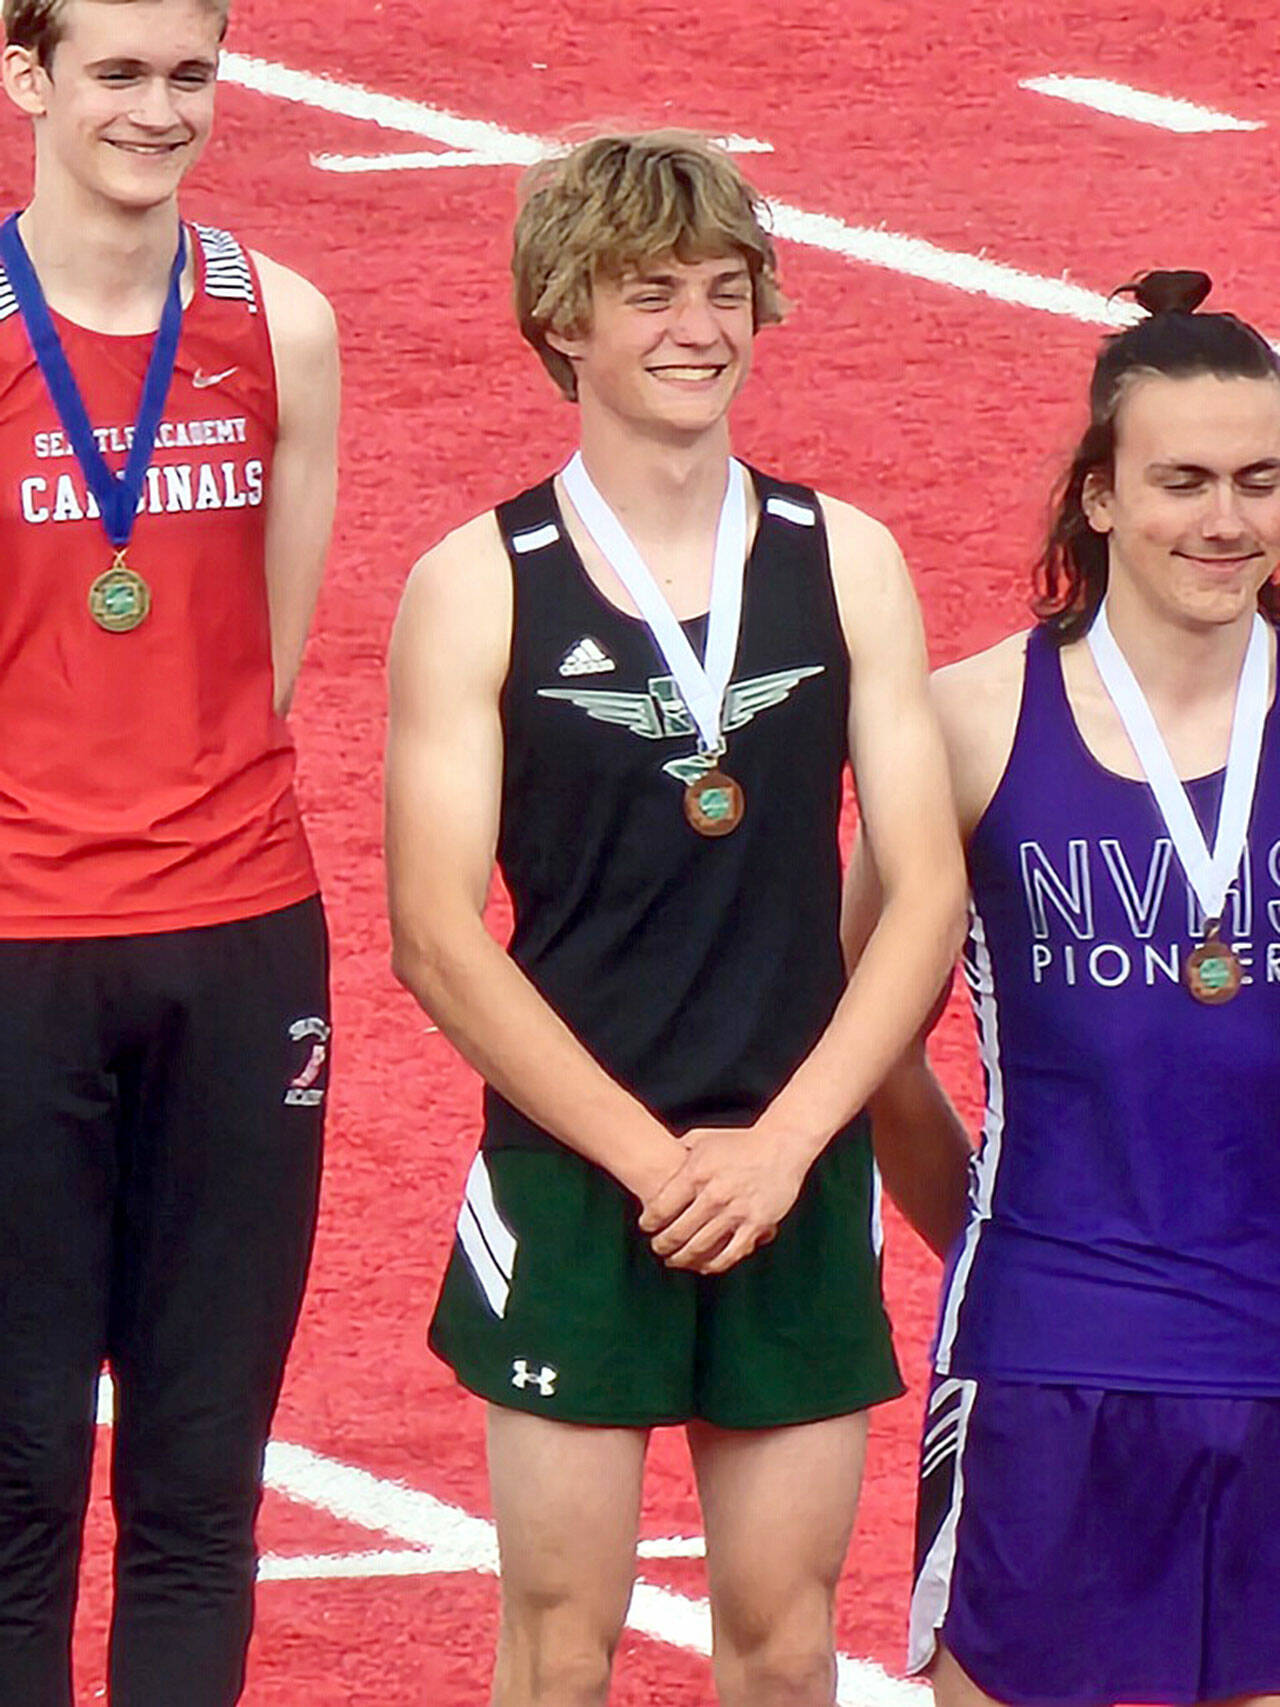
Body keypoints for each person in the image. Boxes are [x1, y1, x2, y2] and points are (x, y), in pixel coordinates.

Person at [386, 129, 965, 1706]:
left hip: (792, 1156)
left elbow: (922, 889)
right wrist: (651, 1159)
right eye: (652, 293)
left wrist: (782, 1147)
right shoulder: (475, 581)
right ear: (562, 317)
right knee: (559, 1650)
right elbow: (434, 935)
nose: (702, 328)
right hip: (578, 1178)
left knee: (786, 1653)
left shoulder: (846, 559)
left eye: (728, 289)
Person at [853, 270, 1280, 1707]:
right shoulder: (969, 720)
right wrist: (988, 1222)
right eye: (1182, 481)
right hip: (1050, 1348)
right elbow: (864, 1040)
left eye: (1260, 481)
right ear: (1099, 494)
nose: (1224, 521)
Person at [0, 2, 339, 1703]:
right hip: (15, 953)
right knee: (15, 1492)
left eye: (188, 75)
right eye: (117, 73)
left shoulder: (281, 323)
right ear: (26, 76)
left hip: (239, 937)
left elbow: (263, 659)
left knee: (202, 1491)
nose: (156, 109)